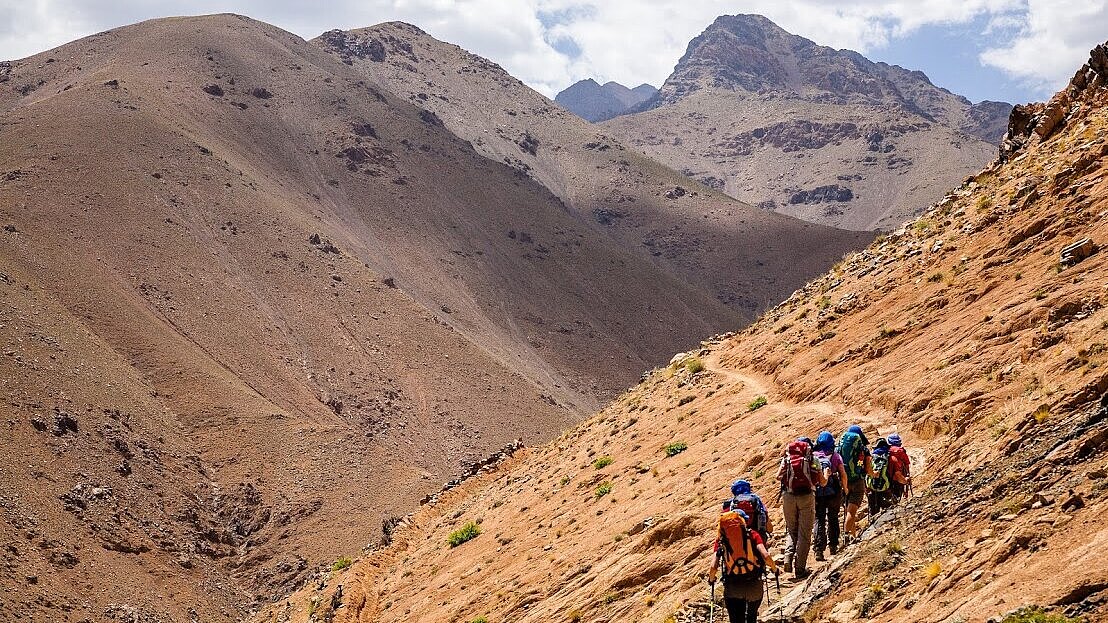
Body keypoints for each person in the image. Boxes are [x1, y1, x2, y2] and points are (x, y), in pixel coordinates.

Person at [709, 508, 779, 623]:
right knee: (751, 617)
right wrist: (775, 569)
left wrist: (711, 579)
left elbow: (713, 566)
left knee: (736, 619)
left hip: (733, 588)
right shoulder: (753, 534)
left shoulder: (721, 540)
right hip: (754, 586)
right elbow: (766, 556)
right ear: (743, 522)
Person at [776, 436, 828, 579]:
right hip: (807, 497)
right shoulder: (813, 459)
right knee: (804, 533)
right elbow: (823, 483)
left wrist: (790, 480)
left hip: (788, 496)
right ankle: (800, 569)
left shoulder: (787, 460)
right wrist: (825, 475)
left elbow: (777, 476)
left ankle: (787, 559)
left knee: (791, 530)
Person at [812, 431, 848, 561]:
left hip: (817, 492)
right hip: (833, 491)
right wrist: (846, 489)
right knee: (833, 517)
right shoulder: (836, 456)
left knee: (819, 519)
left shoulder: (813, 456)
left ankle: (818, 550)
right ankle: (833, 546)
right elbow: (843, 474)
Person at [838, 425, 873, 544]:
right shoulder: (863, 449)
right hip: (858, 482)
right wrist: (874, 474)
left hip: (844, 482)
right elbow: (868, 469)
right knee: (851, 511)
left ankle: (853, 535)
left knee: (847, 510)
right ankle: (847, 535)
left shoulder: (840, 448)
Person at [867, 437, 908, 519]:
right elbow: (898, 476)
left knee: (873, 515)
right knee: (889, 515)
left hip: (872, 490)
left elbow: (866, 474)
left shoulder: (871, 459)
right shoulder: (892, 459)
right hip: (887, 490)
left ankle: (872, 526)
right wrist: (906, 481)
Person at [887, 433, 912, 501]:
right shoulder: (901, 452)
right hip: (897, 480)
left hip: (885, 480)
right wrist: (906, 484)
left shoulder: (885, 451)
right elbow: (906, 467)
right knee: (896, 499)